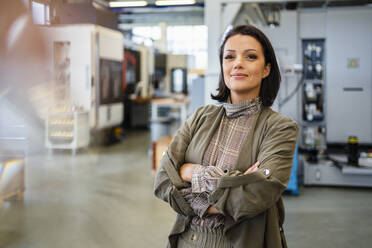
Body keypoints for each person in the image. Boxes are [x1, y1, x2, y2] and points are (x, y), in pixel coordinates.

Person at [154, 25, 298, 248]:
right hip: (186, 241)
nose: (238, 63)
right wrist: (236, 178)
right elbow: (163, 179)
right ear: (223, 66)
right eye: (229, 56)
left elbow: (256, 196)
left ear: (266, 69)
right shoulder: (201, 116)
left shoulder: (280, 128)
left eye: (250, 56)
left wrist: (191, 173)